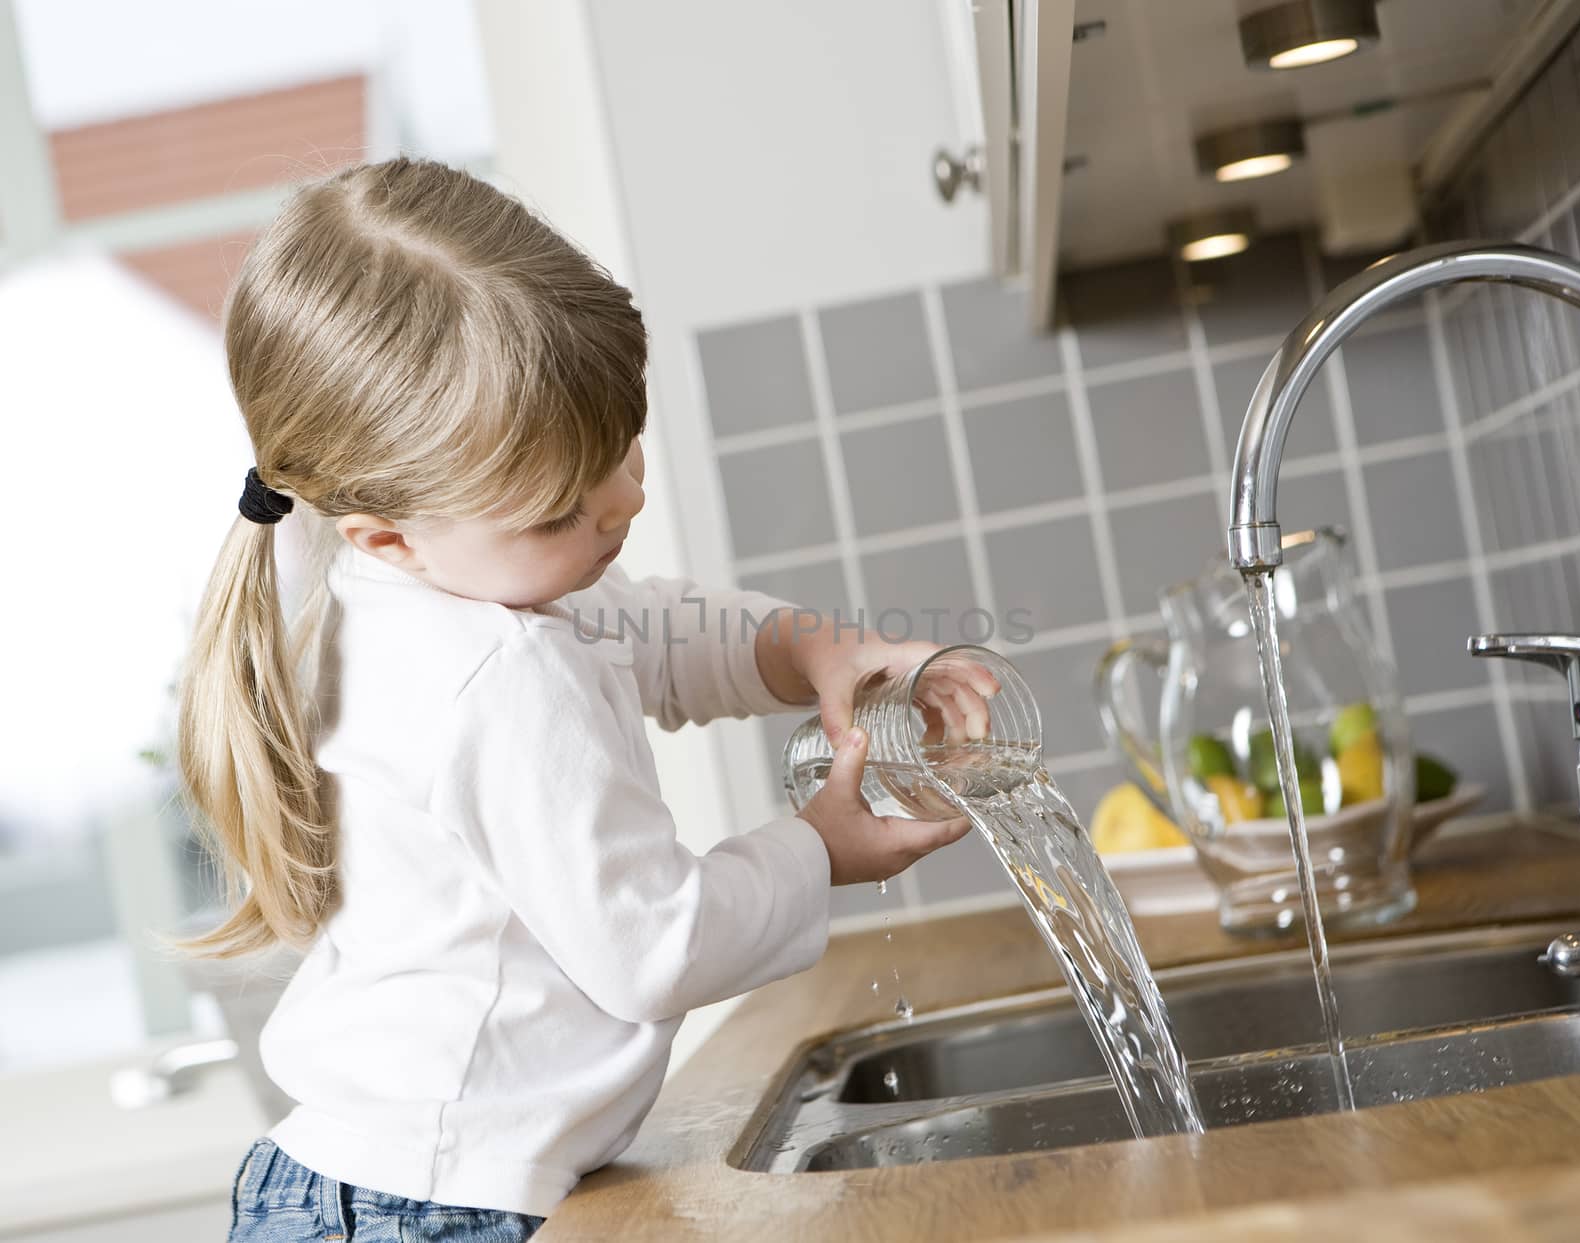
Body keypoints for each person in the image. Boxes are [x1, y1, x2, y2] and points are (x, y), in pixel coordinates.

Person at [177, 157, 988, 1242]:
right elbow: (653, 948)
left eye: (619, 446)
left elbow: (650, 629)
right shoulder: (494, 677)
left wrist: (815, 647)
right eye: (564, 508)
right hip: (421, 1210)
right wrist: (819, 849)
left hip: (385, 1185)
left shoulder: (427, 591)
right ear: (387, 529)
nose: (622, 501)